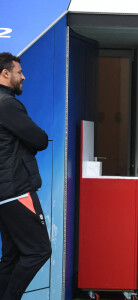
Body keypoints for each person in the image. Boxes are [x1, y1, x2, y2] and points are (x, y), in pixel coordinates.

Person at [0, 52, 51, 300]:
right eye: (19, 72)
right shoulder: (7, 104)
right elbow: (40, 139)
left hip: (4, 195)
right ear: (5, 74)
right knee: (39, 251)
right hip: (17, 190)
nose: (24, 77)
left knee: (12, 255)